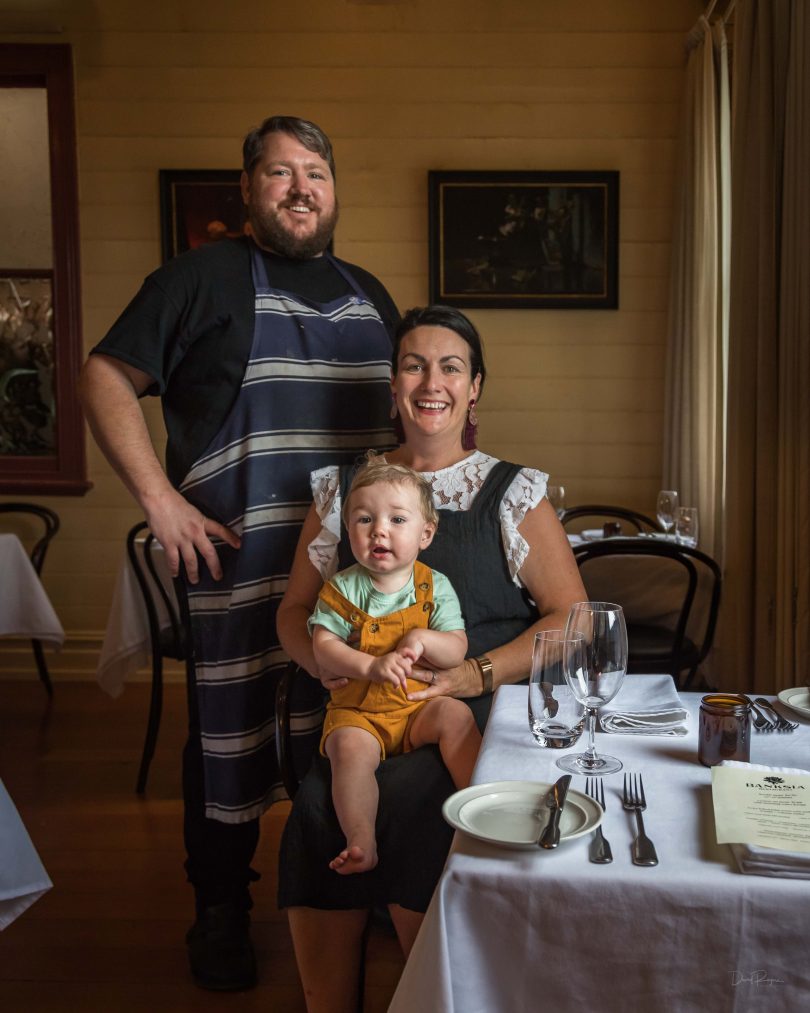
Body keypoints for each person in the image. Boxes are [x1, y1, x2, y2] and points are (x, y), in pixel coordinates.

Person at [78, 115, 400, 991]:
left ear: (335, 190)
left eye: (317, 173)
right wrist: (159, 499)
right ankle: (219, 906)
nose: (302, 187)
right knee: (227, 738)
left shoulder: (371, 292)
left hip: (355, 572)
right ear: (250, 193)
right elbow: (106, 374)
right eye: (280, 173)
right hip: (242, 564)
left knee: (350, 728)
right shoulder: (196, 278)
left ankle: (350, 878)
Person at [276, 304, 586, 1013]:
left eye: (451, 366)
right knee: (320, 803)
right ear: (393, 384)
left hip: (471, 702)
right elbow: (294, 612)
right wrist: (323, 661)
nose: (431, 381)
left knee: (421, 796)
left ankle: (439, 996)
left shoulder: (515, 492)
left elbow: (574, 619)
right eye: (414, 364)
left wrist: (477, 670)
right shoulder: (345, 491)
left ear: (475, 387)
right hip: (360, 701)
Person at [310, 459, 479, 875]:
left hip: (416, 708)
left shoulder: (434, 587)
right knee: (348, 752)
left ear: (426, 533)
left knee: (456, 716)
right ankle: (361, 839)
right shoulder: (342, 588)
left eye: (396, 519)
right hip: (359, 713)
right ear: (348, 530)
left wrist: (425, 640)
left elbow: (457, 649)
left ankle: (480, 807)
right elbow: (323, 646)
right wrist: (369, 666)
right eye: (364, 519)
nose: (378, 530)